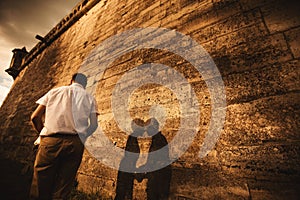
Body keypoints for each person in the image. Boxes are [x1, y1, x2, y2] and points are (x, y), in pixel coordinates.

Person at [30, 73, 98, 200]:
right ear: (85, 84)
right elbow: (93, 125)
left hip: (50, 140)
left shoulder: (54, 92)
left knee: (41, 183)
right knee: (64, 186)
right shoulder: (90, 98)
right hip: (75, 142)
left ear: (71, 80)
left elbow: (35, 117)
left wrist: (43, 133)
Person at [114, 118, 145, 200]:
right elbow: (130, 158)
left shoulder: (133, 138)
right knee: (122, 193)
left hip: (127, 168)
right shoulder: (132, 139)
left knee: (123, 193)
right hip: (126, 169)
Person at [144, 118, 172, 200]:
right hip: (157, 175)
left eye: (148, 128)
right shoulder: (157, 139)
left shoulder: (158, 140)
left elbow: (155, 161)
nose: (146, 131)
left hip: (159, 177)